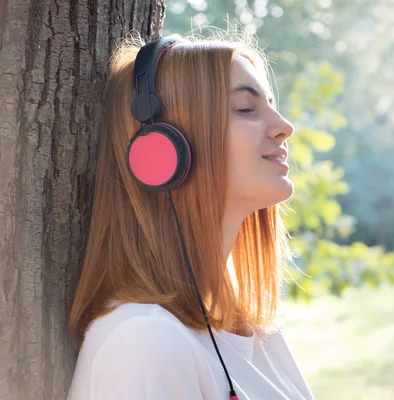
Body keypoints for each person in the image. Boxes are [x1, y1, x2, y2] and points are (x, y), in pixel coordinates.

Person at [66, 32, 314, 400]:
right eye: (246, 108)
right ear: (162, 152)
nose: (283, 126)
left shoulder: (259, 333)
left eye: (272, 104)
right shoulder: (145, 344)